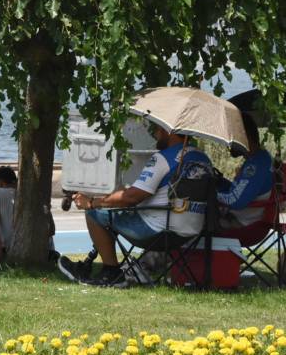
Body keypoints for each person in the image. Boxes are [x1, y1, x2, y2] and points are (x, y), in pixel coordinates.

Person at [57, 123, 212, 287]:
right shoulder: (203, 159)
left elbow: (132, 197)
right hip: (190, 232)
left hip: (158, 231)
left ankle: (111, 273)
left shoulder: (163, 158)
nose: (156, 134)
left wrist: (91, 202)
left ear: (169, 132)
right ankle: (92, 264)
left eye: (158, 129)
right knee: (113, 209)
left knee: (94, 214)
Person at [215, 115, 274, 244]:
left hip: (242, 225)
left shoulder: (256, 164)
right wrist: (220, 182)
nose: (228, 142)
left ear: (243, 136)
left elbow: (236, 201)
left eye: (231, 136)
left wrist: (210, 194)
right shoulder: (258, 159)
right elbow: (240, 192)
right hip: (241, 220)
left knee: (193, 220)